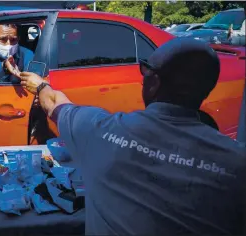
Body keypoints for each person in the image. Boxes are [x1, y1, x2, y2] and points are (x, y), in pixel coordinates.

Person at [19, 37, 246, 235]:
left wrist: (40, 87)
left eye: (145, 69)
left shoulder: (100, 131)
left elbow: (55, 104)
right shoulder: (236, 162)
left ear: (154, 82)